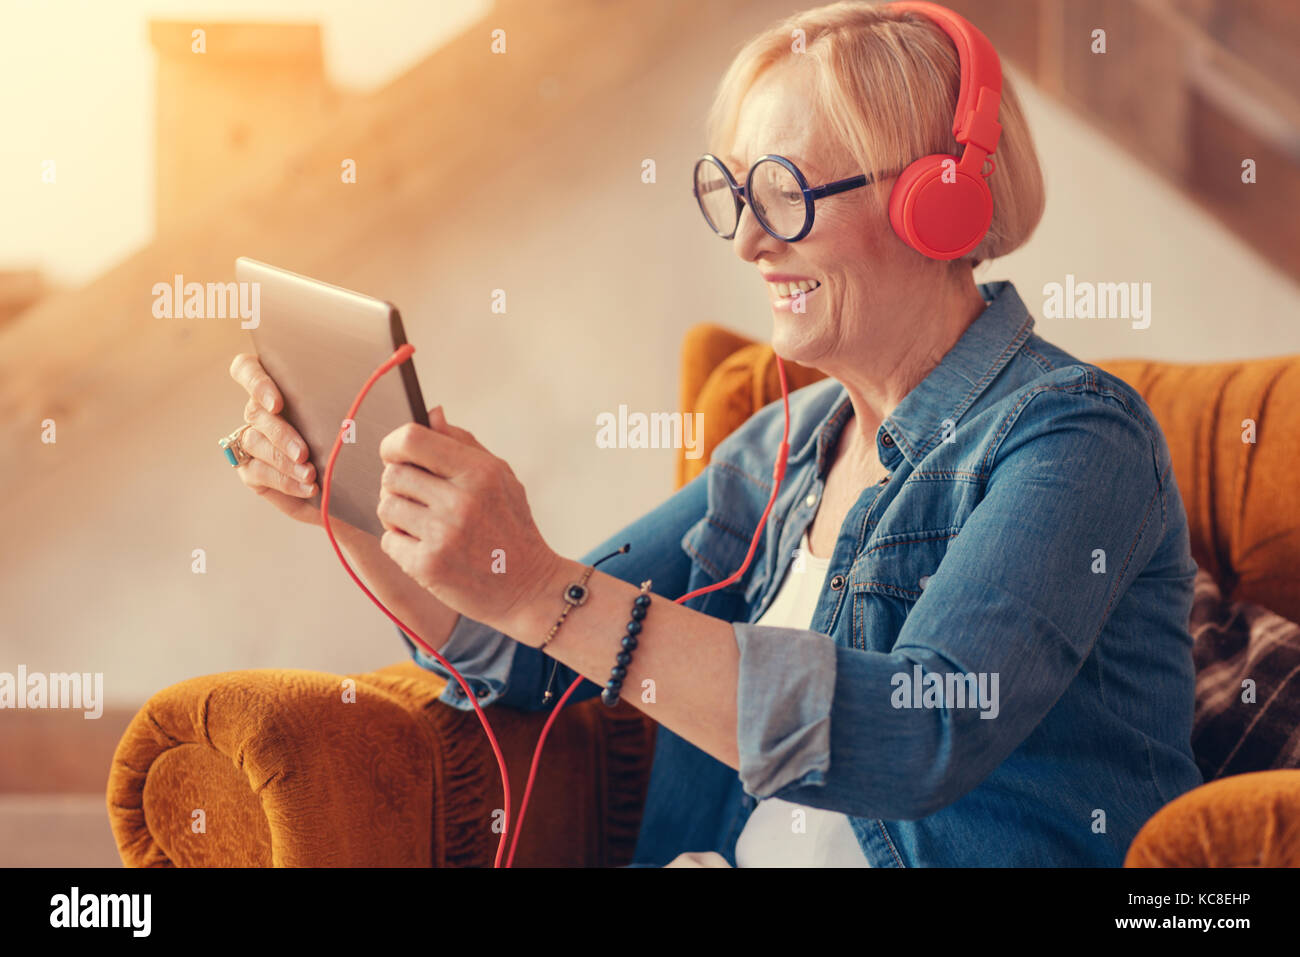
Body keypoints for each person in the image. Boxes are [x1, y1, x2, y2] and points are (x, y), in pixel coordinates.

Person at [223, 0, 1203, 867]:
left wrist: (532, 580)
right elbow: (524, 653)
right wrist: (355, 507)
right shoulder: (781, 447)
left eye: (786, 192)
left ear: (937, 203)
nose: (747, 241)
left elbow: (921, 734)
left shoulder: (1075, 439)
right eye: (735, 193)